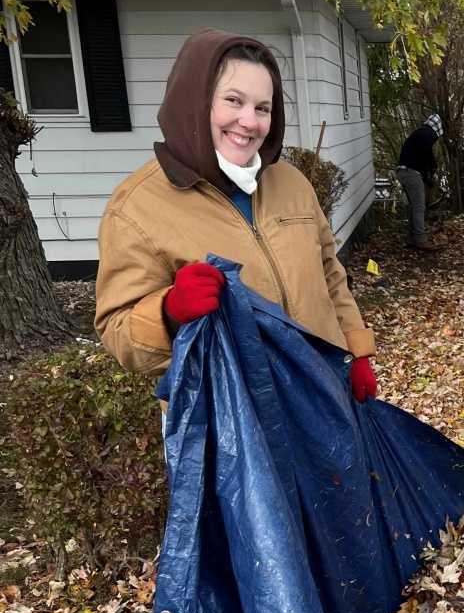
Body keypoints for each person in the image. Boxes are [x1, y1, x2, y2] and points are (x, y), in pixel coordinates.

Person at [94, 29, 378, 402]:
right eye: (233, 100)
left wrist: (356, 350)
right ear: (195, 102)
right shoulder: (136, 206)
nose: (249, 121)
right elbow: (117, 331)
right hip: (230, 421)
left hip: (322, 394)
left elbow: (329, 275)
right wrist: (169, 311)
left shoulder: (290, 182)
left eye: (262, 108)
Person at [393, 113, 444, 252]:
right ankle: (420, 240)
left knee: (413, 206)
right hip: (411, 172)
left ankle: (412, 238)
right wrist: (430, 172)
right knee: (419, 207)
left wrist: (427, 174)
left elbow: (421, 156)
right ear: (437, 127)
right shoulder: (428, 135)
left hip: (402, 171)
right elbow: (426, 156)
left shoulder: (420, 133)